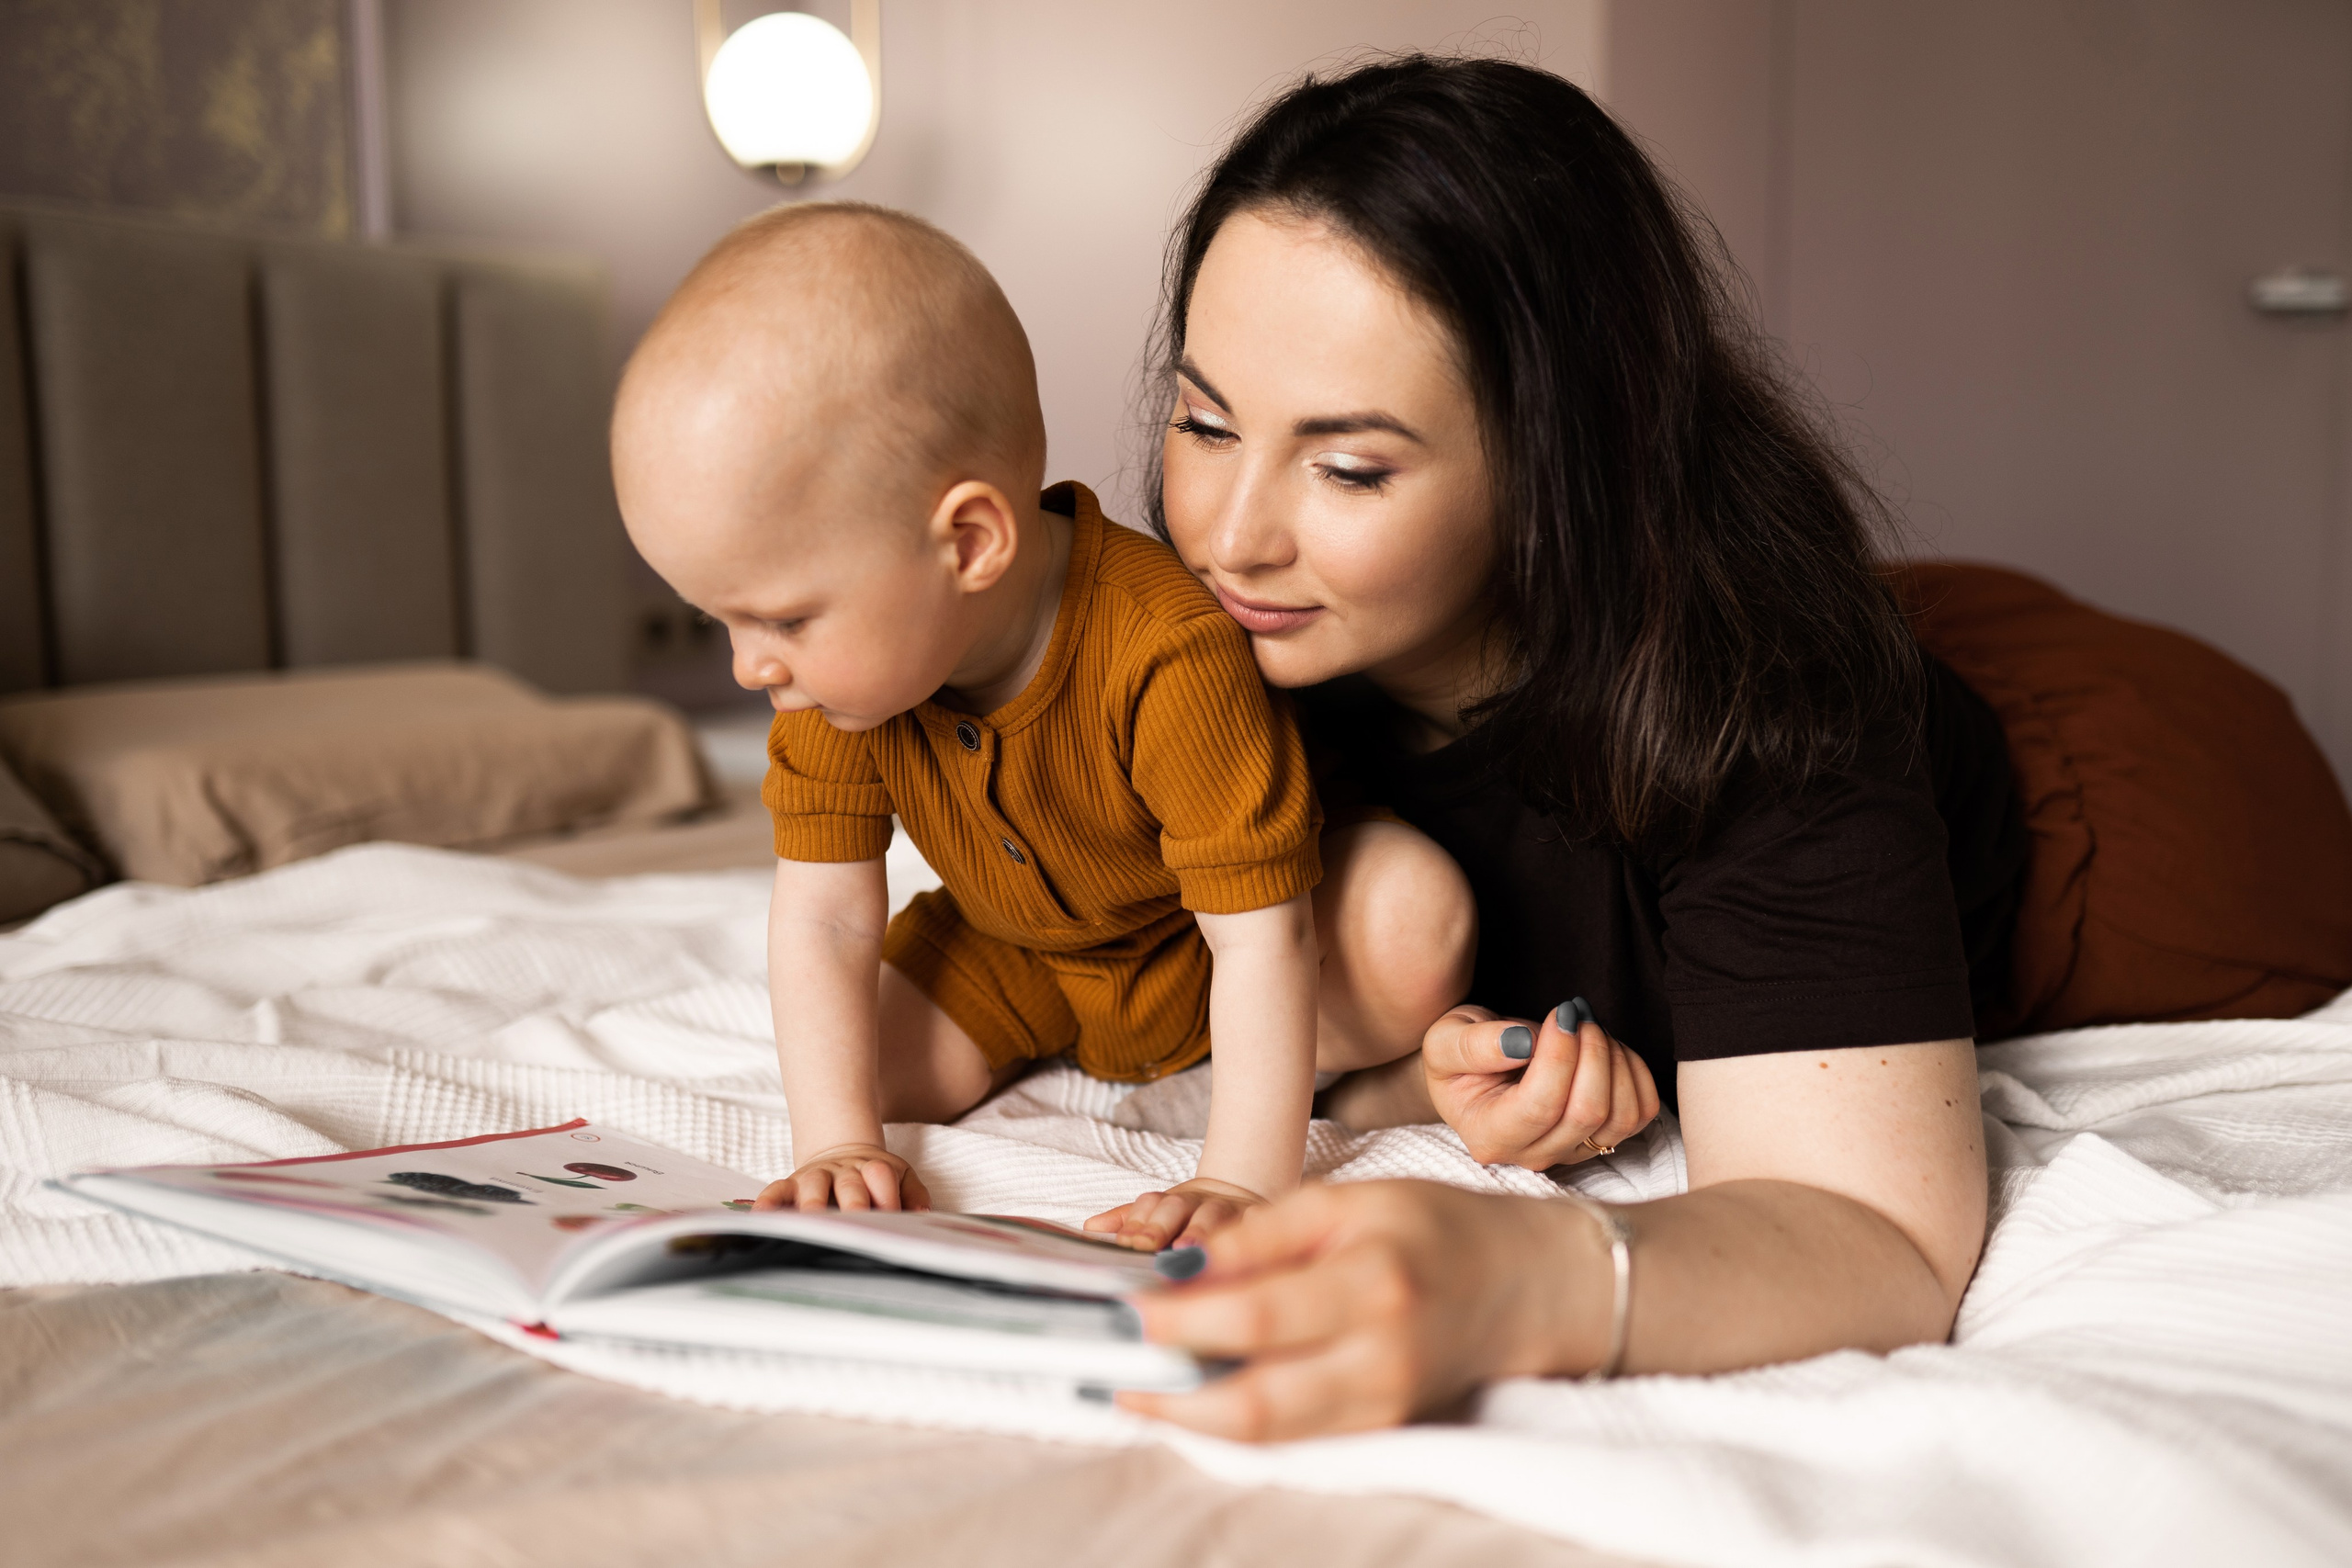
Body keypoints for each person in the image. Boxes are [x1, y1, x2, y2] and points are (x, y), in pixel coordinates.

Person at [1117, 56, 2024, 1436]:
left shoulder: (1772, 699)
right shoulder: (1213, 644)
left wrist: (1508, 1275)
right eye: (1204, 421)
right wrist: (1400, 1084)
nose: (1232, 534)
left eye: (1351, 466)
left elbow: (1882, 1236)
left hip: (2087, 779)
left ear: (1558, 453)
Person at [609, 203, 1473, 1252]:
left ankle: (1354, 1086)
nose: (753, 667)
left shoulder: (1163, 652)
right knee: (850, 1069)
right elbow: (827, 916)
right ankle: (1091, 1064)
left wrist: (1243, 1179)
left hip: (1197, 950)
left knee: (1410, 926)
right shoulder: (836, 684)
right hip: (1011, 951)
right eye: (724, 622)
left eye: (784, 617)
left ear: (969, 542)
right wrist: (838, 1142)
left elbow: (1260, 932)